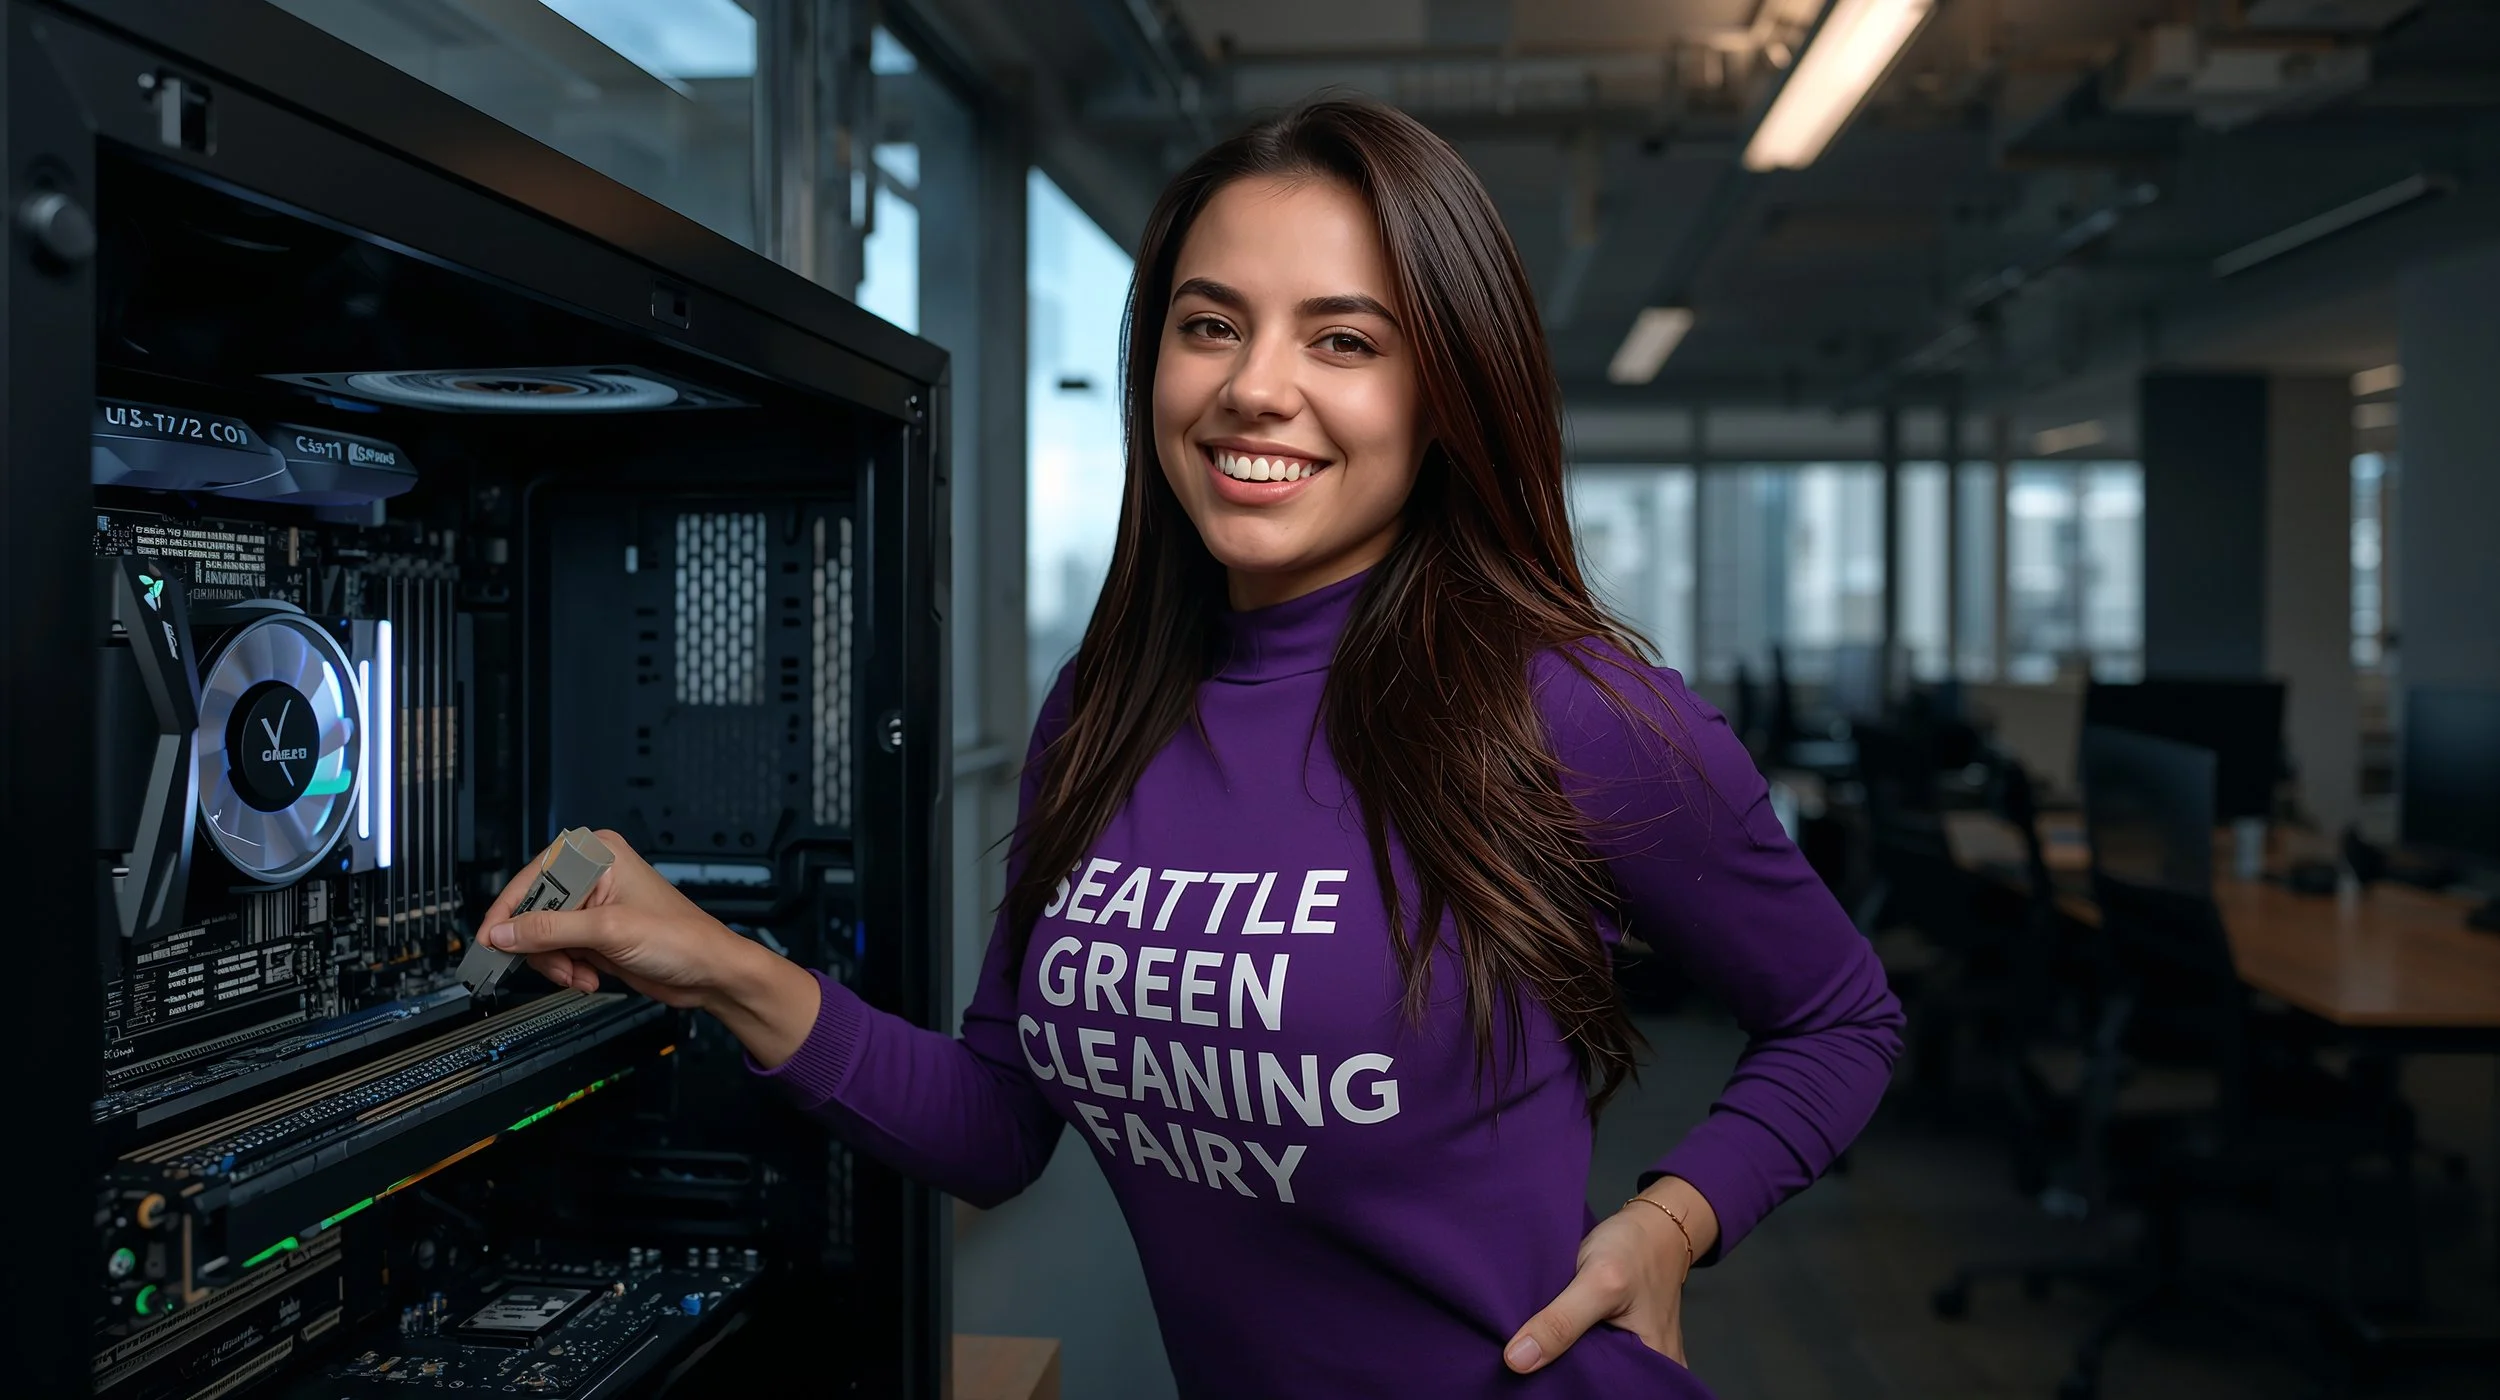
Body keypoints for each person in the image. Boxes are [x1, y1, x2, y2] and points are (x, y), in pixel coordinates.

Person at [475, 97, 1902, 1398]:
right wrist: (715, 962)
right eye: (1211, 325)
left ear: (1444, 390)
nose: (1252, 389)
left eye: (1343, 340)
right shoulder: (1104, 709)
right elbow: (998, 1124)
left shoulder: (1574, 711)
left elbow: (1842, 1017)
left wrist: (1669, 1220)